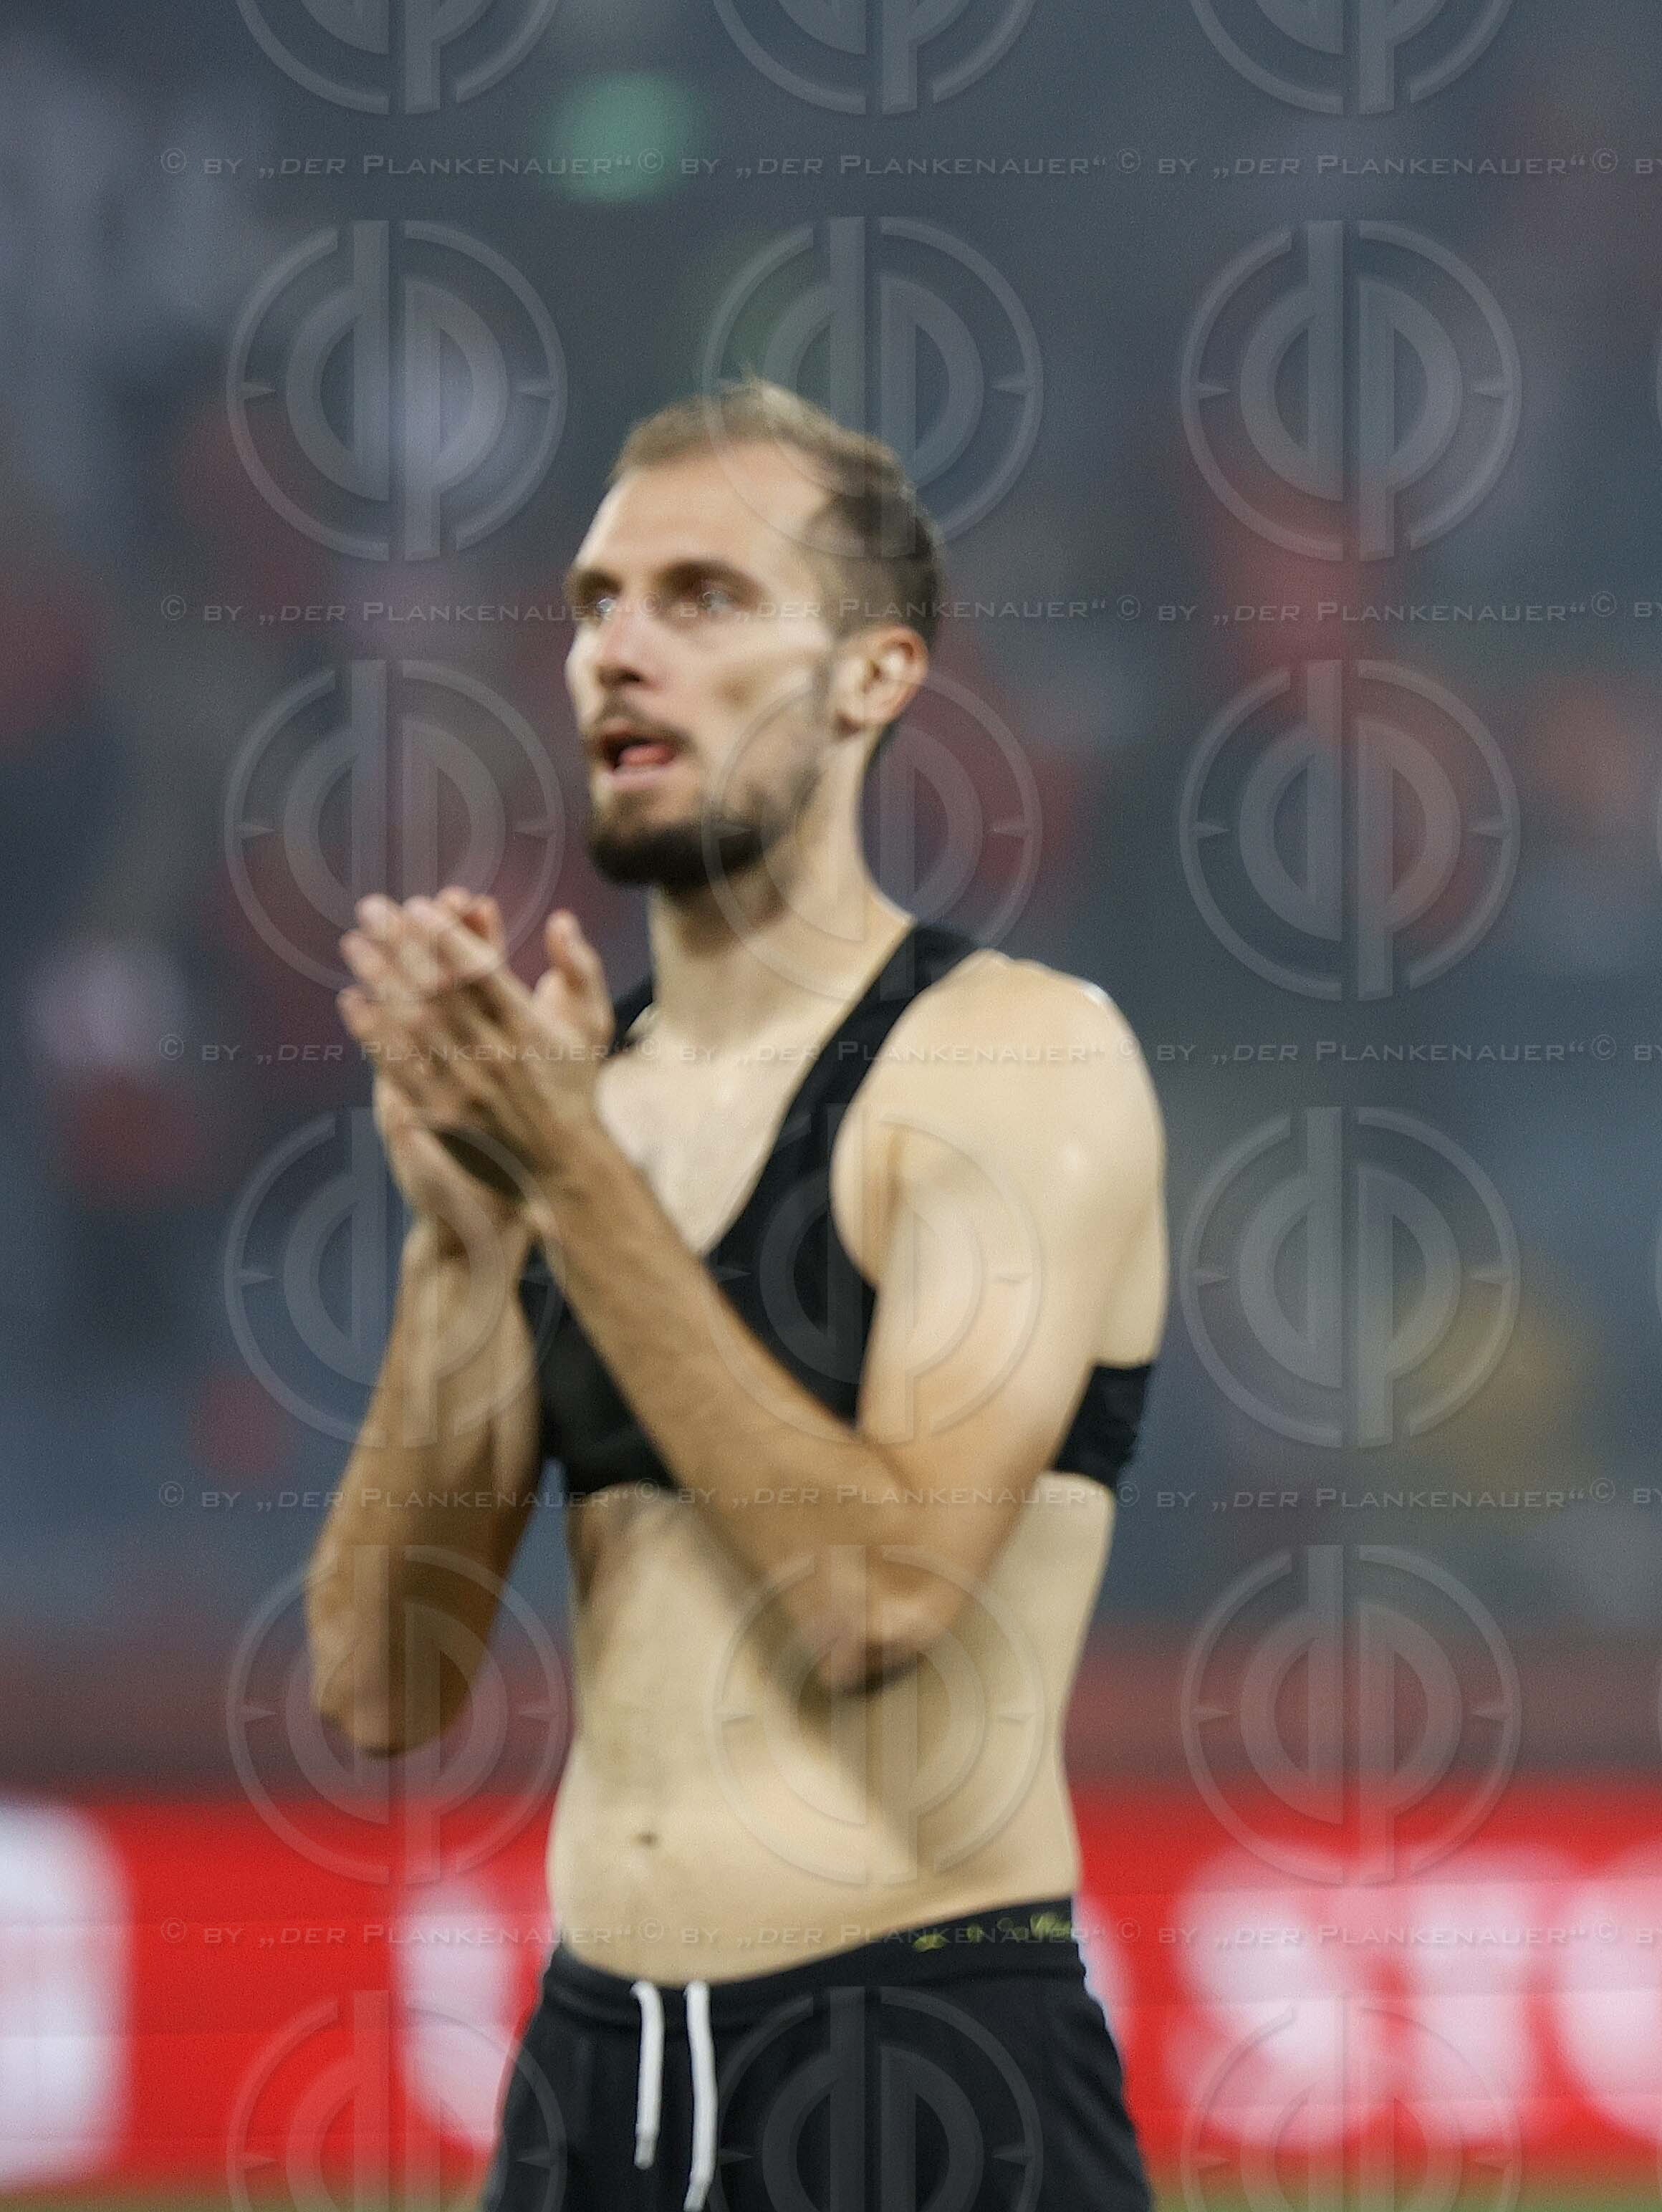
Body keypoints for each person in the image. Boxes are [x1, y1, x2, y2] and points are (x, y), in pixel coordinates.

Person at [303, 379, 1166, 2212]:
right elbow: (381, 1679)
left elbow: (877, 1590)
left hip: (918, 2067)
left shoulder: (1016, 1063)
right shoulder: (568, 1111)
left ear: (874, 676)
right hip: (590, 2069)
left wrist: (567, 1181)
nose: (622, 651)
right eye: (597, 603)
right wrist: (460, 1248)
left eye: (703, 598)